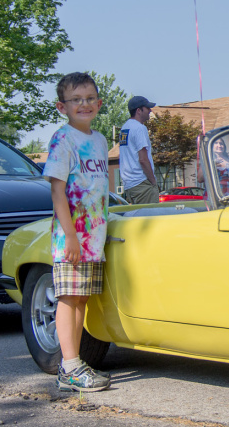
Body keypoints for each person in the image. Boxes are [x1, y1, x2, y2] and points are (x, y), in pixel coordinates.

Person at [43, 72, 111, 392]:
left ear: (98, 103)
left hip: (93, 238)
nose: (83, 104)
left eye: (89, 99)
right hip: (71, 238)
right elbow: (58, 192)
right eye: (76, 100)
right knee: (68, 299)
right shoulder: (63, 139)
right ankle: (68, 366)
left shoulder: (99, 140)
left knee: (81, 299)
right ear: (62, 106)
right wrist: (70, 236)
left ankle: (74, 363)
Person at [119, 96, 159, 204]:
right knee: (151, 219)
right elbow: (143, 159)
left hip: (129, 184)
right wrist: (153, 181)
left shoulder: (124, 128)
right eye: (147, 108)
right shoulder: (139, 128)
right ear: (138, 111)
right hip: (142, 184)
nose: (150, 111)